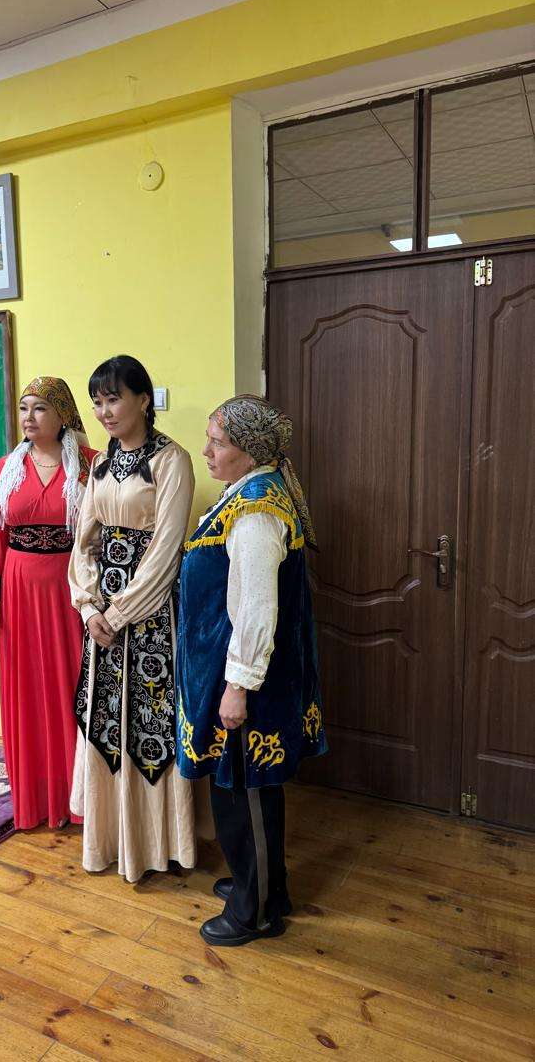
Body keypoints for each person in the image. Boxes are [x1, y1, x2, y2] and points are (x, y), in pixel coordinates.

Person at [176, 394, 327, 946]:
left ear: (250, 450)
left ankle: (255, 911)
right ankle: (263, 884)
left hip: (246, 680)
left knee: (245, 795)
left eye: (217, 443)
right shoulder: (248, 493)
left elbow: (257, 608)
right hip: (238, 673)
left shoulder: (257, 510)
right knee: (245, 791)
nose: (207, 451)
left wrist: (238, 686)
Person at [69, 355, 196, 882]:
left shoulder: (172, 460)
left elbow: (167, 551)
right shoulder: (101, 462)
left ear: (143, 400)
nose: (104, 411)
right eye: (97, 402)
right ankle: (111, 840)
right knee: (106, 717)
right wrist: (88, 606)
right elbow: (83, 541)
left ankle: (157, 845)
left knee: (150, 719)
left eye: (113, 399)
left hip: (151, 613)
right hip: (102, 617)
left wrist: (119, 612)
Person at [0, 377, 97, 830]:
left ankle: (78, 799)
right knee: (27, 690)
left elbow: (102, 531)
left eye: (40, 408)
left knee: (72, 688)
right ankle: (37, 797)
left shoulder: (90, 464)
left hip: (71, 589)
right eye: (24, 407)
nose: (28, 416)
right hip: (19, 590)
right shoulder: (6, 467)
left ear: (63, 415)